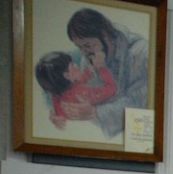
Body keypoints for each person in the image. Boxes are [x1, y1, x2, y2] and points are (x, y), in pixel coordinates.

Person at [59, 8, 149, 138]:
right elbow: (92, 94)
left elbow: (139, 104)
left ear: (106, 36)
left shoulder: (140, 52)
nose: (84, 52)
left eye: (88, 45)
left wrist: (96, 113)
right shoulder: (89, 57)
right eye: (80, 47)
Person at [34, 49, 116, 130]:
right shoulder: (82, 94)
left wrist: (89, 71)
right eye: (72, 65)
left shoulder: (57, 94)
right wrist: (101, 68)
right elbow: (111, 89)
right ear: (67, 76)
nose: (76, 65)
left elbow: (78, 81)